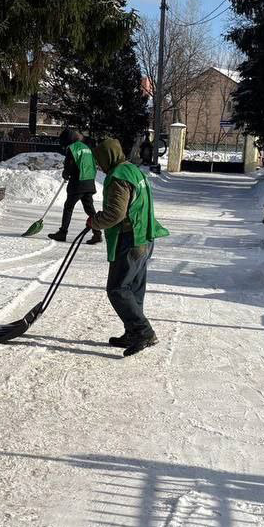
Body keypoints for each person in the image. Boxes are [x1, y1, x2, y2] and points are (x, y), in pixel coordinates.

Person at [87, 138, 169, 357]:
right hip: (145, 236)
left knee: (117, 289)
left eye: (100, 159)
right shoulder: (133, 170)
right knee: (133, 289)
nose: (99, 164)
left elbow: (116, 213)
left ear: (107, 157)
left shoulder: (118, 177)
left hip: (130, 238)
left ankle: (143, 332)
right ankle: (133, 331)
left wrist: (95, 222)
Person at [50, 128, 102, 245]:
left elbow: (69, 164)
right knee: (89, 209)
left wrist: (66, 174)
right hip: (89, 181)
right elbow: (92, 164)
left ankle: (63, 232)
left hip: (78, 182)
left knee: (68, 207)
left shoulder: (73, 148)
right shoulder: (86, 148)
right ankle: (97, 233)